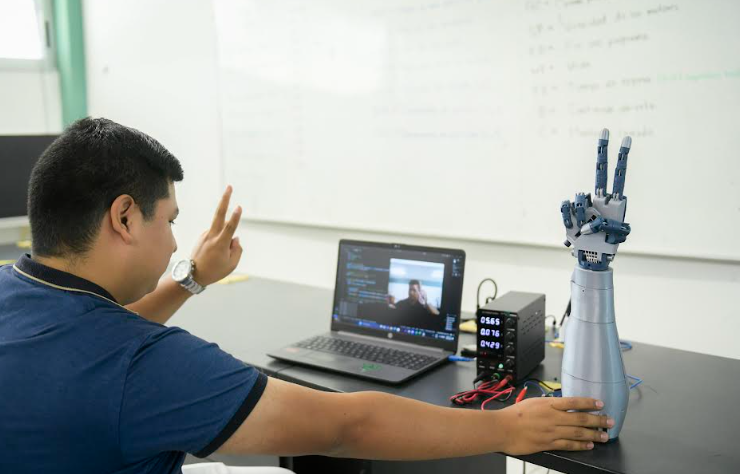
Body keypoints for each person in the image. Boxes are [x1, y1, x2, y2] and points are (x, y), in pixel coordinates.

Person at [0, 118, 614, 473]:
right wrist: (505, 428)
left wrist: (190, 280)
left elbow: (88, 339)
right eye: (169, 221)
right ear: (124, 217)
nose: (175, 243)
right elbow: (346, 426)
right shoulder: (146, 366)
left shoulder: (14, 288)